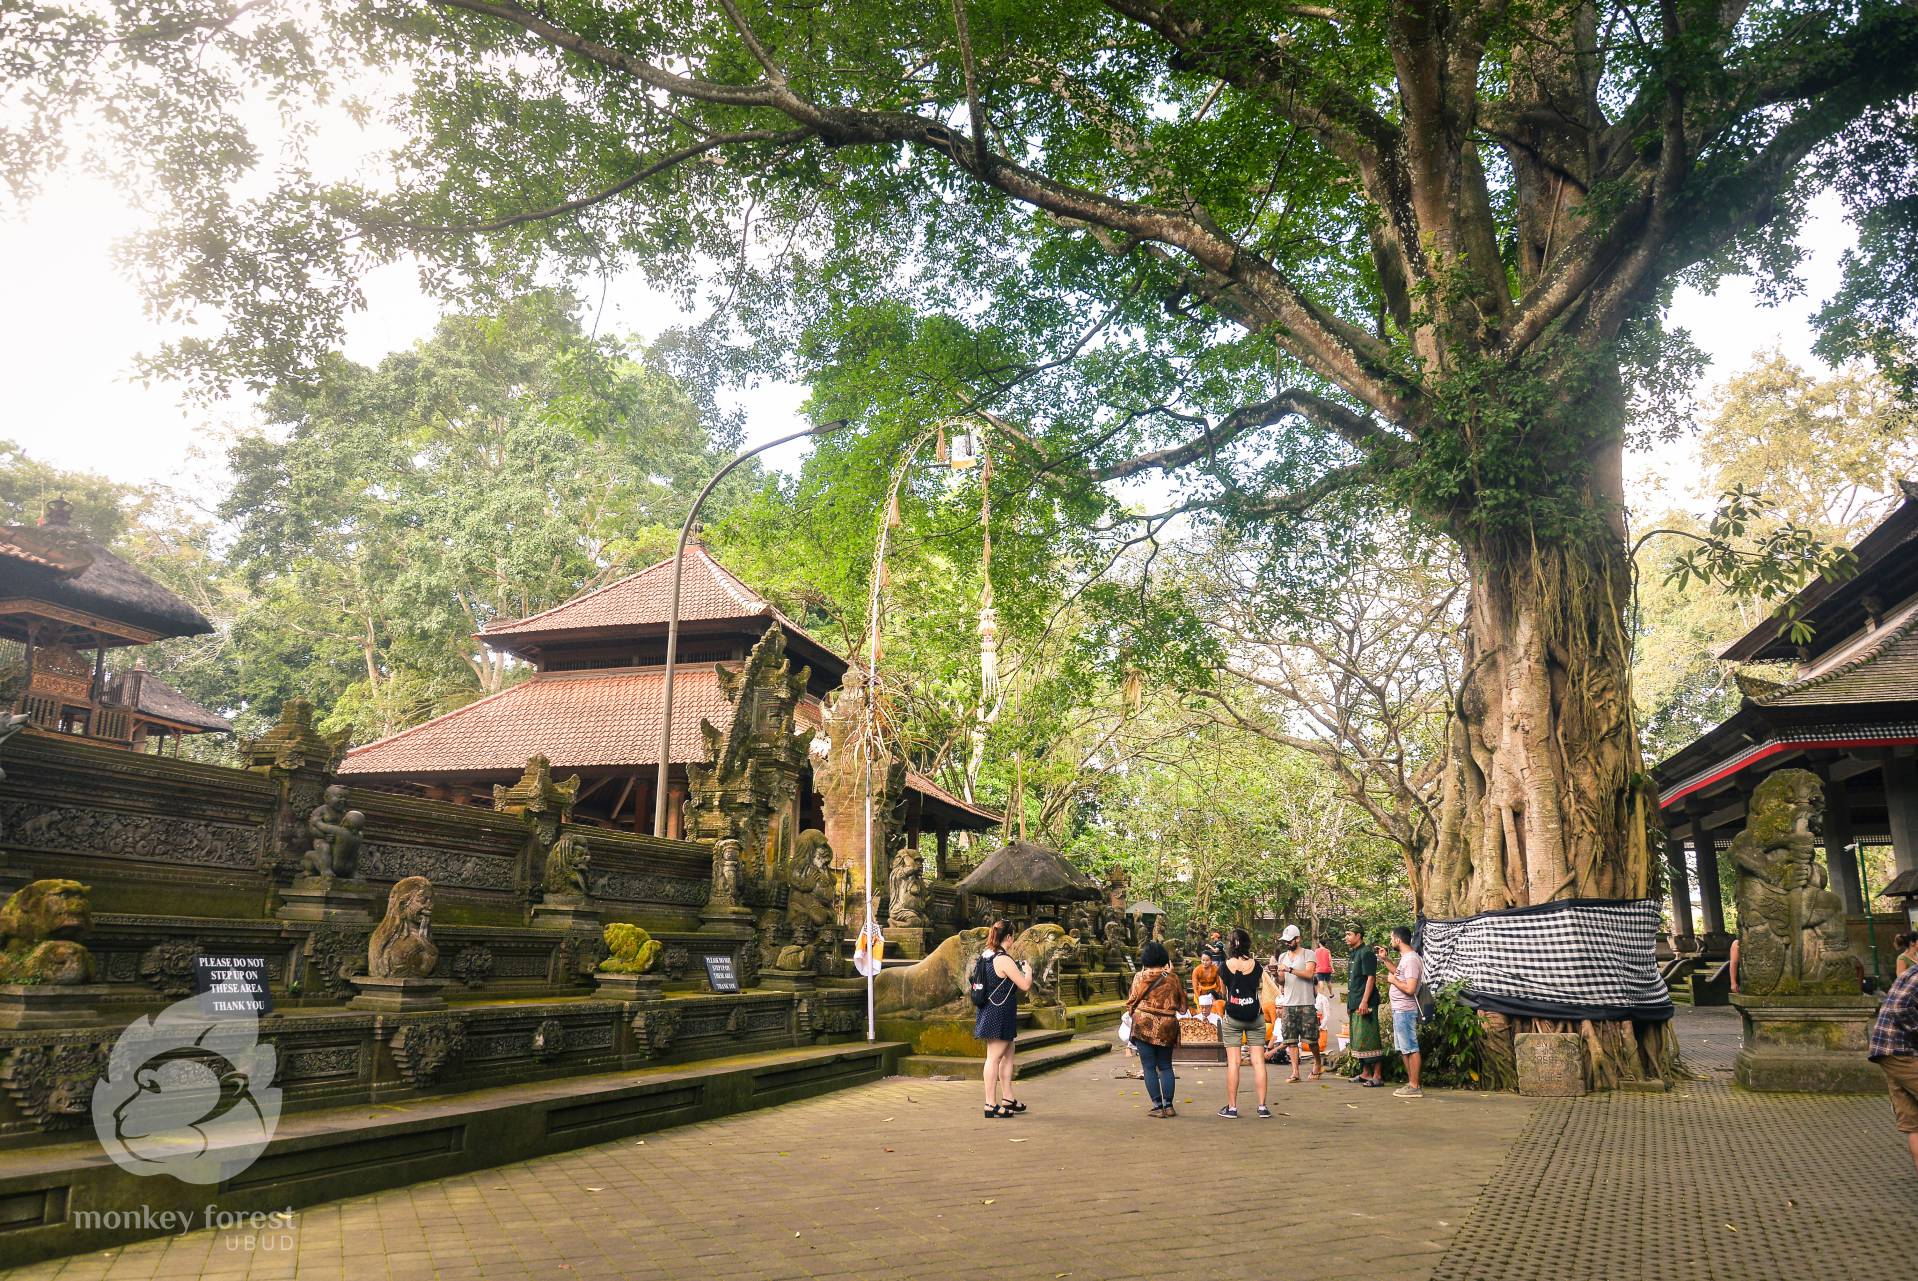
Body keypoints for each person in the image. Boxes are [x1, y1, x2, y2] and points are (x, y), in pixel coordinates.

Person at [973, 919, 1032, 1119]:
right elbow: (1024, 985)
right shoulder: (1003, 959)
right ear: (1008, 937)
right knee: (994, 1058)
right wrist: (1029, 971)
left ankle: (1007, 1098)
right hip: (998, 1013)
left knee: (1008, 1054)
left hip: (993, 1010)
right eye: (1013, 935)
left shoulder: (986, 955)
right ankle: (990, 1103)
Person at [1126, 941, 1189, 1118]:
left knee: (1148, 1067)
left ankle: (1157, 1106)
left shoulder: (1140, 977)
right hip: (1167, 1026)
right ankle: (1169, 1106)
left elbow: (1131, 1003)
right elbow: (1183, 1008)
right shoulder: (1173, 978)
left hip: (1143, 1025)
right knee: (1166, 1066)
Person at [1867, 960, 1918, 1175]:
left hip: (1890, 1053)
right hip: (1902, 1052)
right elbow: (1901, 1006)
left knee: (1914, 1122)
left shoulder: (1912, 972)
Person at [1215, 928, 1270, 1118]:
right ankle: (1262, 1107)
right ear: (1248, 944)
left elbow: (1223, 992)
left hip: (1233, 1018)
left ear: (1231, 945)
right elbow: (1257, 988)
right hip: (1255, 1016)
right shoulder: (1257, 966)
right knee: (1258, 1061)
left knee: (1234, 1062)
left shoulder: (1224, 965)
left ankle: (1232, 1108)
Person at [1276, 925, 1323, 1082]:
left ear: (1298, 939)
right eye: (1286, 941)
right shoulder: (1282, 957)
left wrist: (1289, 969)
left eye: (1290, 940)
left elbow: (1309, 974)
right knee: (1290, 1040)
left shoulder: (1308, 954)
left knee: (1311, 1039)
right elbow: (1282, 981)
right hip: (1288, 1004)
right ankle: (1295, 1072)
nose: (1287, 943)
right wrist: (1276, 974)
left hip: (1306, 1003)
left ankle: (1317, 1062)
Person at [1383, 925, 1424, 1098]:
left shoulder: (1411, 960)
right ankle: (1411, 1083)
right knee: (1404, 1048)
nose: (1391, 941)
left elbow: (1411, 988)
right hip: (1399, 1010)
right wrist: (1385, 960)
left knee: (1411, 1047)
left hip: (1406, 1011)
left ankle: (1415, 1086)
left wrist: (1393, 981)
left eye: (1392, 938)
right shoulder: (1405, 958)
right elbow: (1399, 974)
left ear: (1398, 940)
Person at [1344, 926, 1385, 1087]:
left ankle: (1378, 1075)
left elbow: (1370, 978)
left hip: (1366, 1002)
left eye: (1349, 934)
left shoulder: (1366, 953)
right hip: (1355, 1001)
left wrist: (1364, 1001)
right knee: (1359, 1039)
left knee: (1370, 1038)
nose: (1347, 937)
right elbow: (1351, 982)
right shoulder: (1354, 953)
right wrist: (1350, 1003)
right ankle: (1365, 1072)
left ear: (1358, 935)